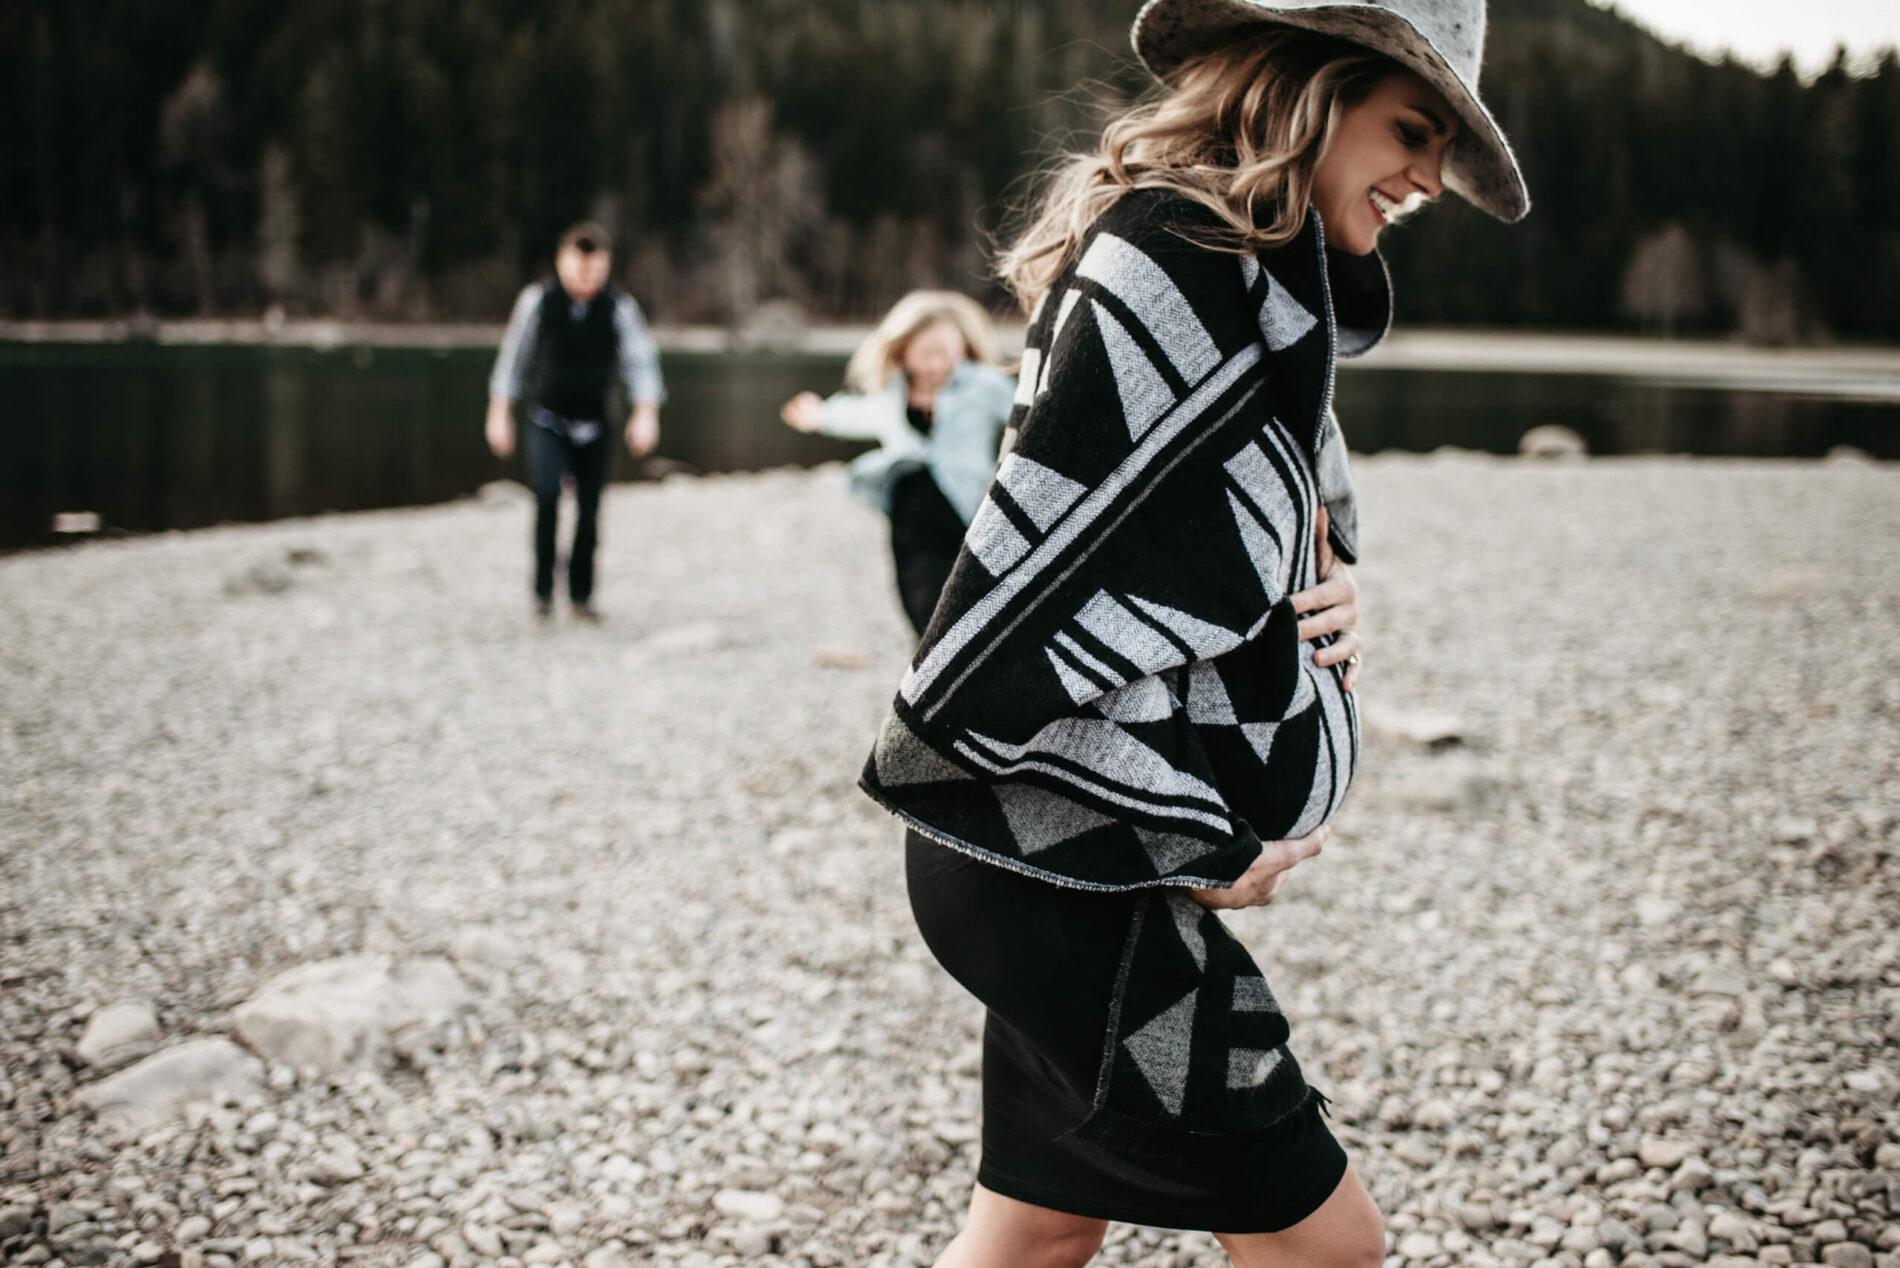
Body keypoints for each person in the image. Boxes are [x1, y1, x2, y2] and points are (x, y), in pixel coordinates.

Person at [859, 0, 1529, 1264]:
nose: (1430, 178)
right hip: (1052, 847)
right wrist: (1196, 828)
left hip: (1047, 856)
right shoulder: (1174, 258)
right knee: (1331, 1246)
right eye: (1413, 127)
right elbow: (1026, 600)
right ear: (1311, 89)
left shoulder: (1242, 284)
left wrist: (1328, 583)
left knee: (1040, 1231)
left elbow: (1207, 542)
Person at [780, 291, 1016, 636]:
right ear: (902, 351)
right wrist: (817, 415)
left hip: (969, 516)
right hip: (911, 524)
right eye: (926, 354)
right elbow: (855, 413)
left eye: (946, 353)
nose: (937, 364)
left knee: (971, 607)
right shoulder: (891, 394)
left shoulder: (985, 386)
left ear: (963, 347)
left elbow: (1028, 418)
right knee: (922, 608)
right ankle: (929, 673)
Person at [485, 221, 664, 621]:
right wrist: (499, 413)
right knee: (547, 497)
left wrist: (645, 411)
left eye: (596, 272)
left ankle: (581, 596)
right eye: (579, 271)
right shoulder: (538, 301)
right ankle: (543, 592)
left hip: (597, 423)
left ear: (605, 267)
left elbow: (641, 363)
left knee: (590, 508)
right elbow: (514, 359)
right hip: (547, 418)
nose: (587, 281)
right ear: (562, 263)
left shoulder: (619, 306)